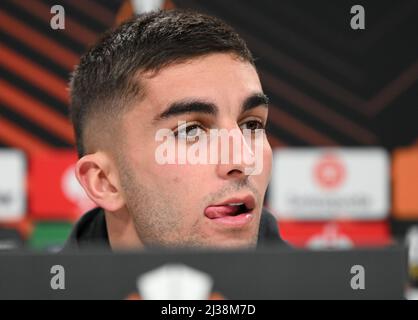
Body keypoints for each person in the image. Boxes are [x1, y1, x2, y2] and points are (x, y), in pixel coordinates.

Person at [65, 9, 284, 250]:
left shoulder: (323, 287)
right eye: (191, 131)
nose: (244, 160)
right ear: (105, 181)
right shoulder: (44, 287)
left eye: (251, 125)